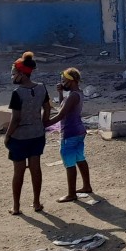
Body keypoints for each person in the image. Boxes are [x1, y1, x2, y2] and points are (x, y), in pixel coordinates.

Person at [4, 51, 51, 215]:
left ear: (22, 74)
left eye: (14, 73)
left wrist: (7, 135)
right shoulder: (41, 88)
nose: (12, 76)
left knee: (19, 172)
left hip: (20, 137)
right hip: (37, 134)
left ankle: (16, 207)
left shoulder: (17, 93)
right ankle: (37, 203)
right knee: (35, 169)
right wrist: (43, 124)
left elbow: (15, 118)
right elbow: (47, 108)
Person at [47, 67, 93, 202]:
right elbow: (62, 107)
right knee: (80, 159)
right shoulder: (77, 93)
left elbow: (61, 114)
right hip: (79, 131)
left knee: (69, 163)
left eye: (63, 81)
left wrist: (44, 124)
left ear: (71, 81)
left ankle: (71, 194)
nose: (61, 83)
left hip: (70, 132)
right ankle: (87, 186)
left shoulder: (73, 96)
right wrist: (60, 93)